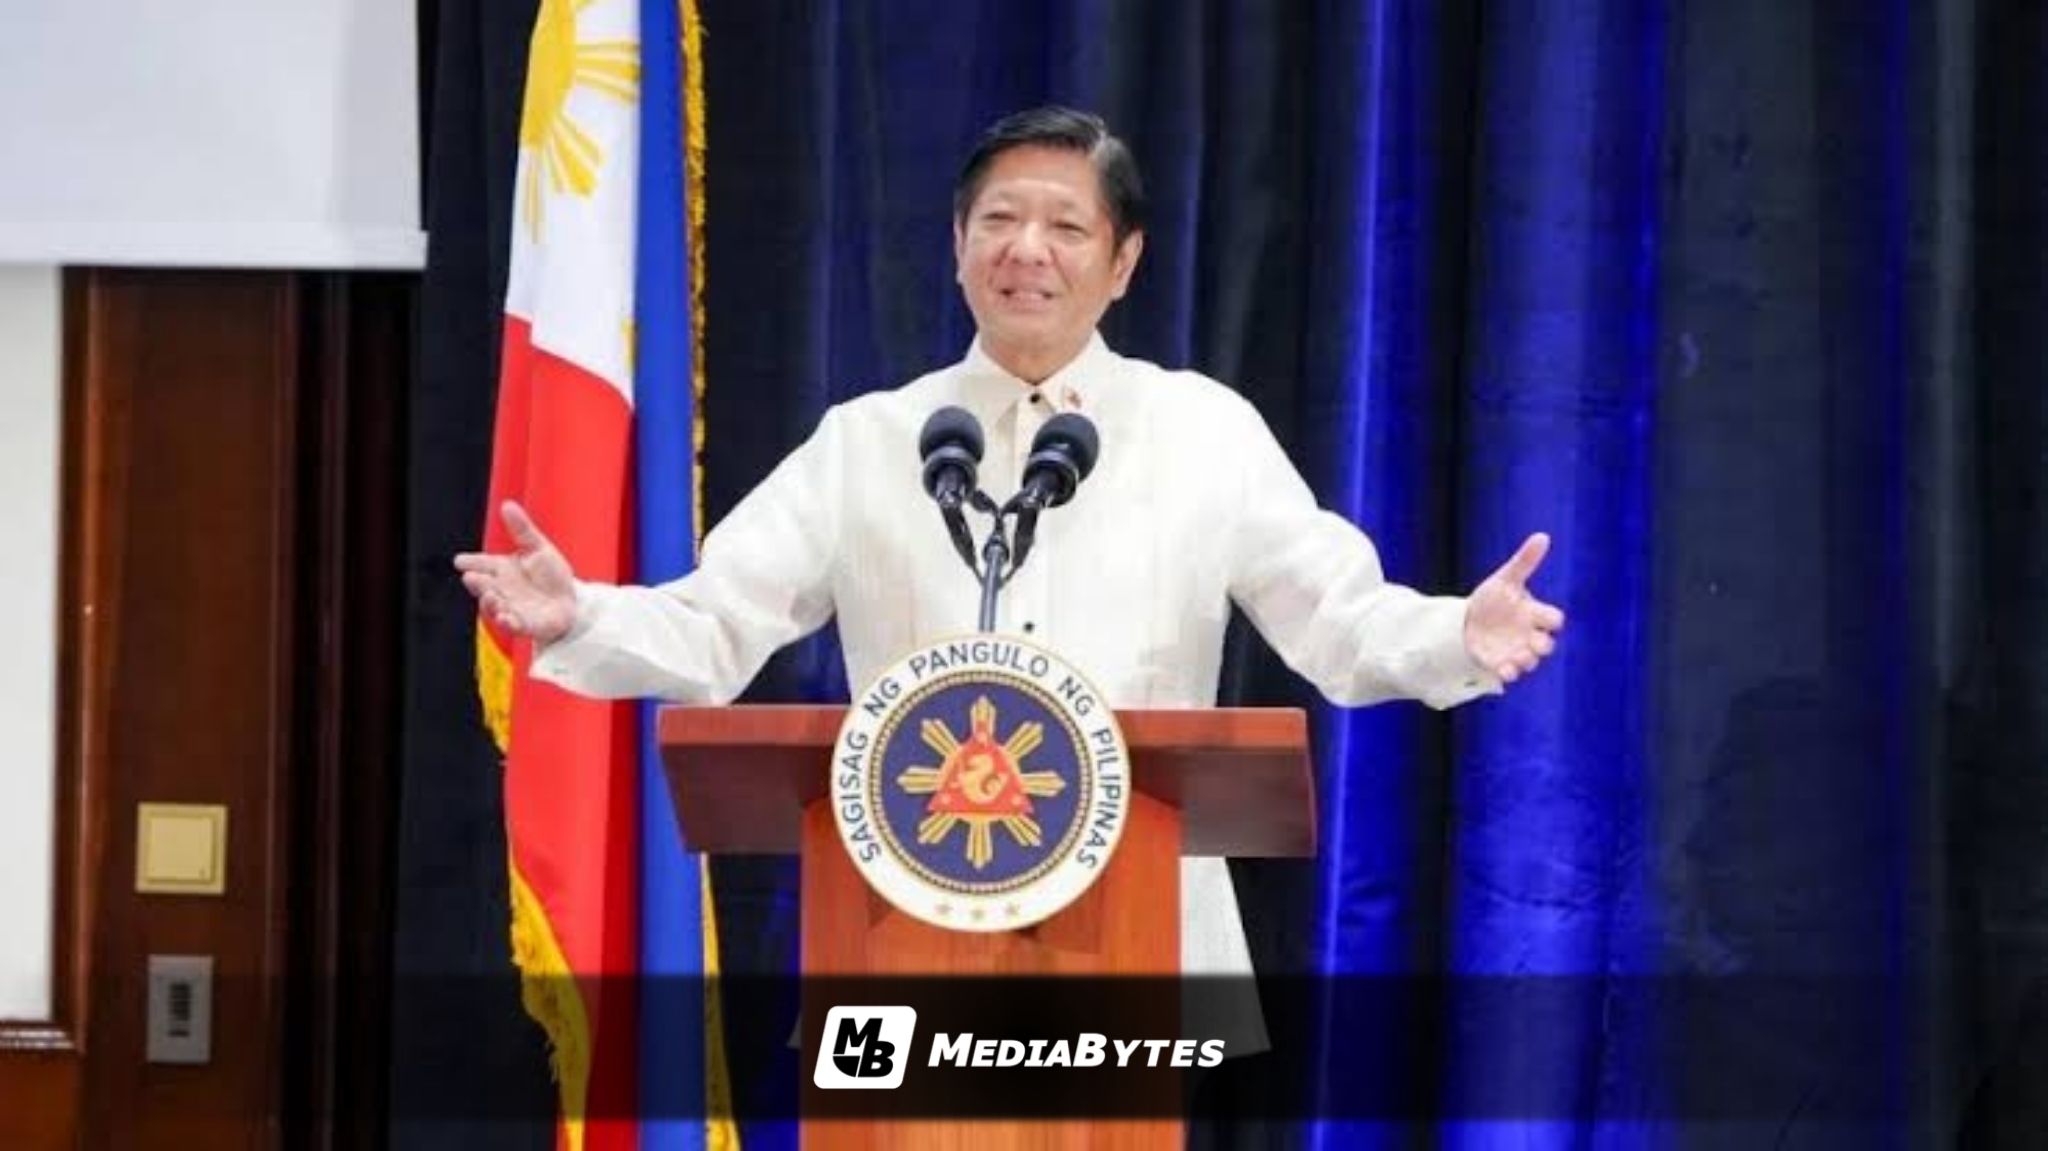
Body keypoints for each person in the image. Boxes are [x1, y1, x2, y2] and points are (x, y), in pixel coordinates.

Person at [456, 106, 1563, 1047]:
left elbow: (1338, 620)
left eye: (1065, 226)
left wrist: (1453, 636)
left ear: (1122, 262)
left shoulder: (1202, 432)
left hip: (1140, 945)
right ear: (957, 244)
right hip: (896, 941)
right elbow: (712, 626)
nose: (1026, 248)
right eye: (998, 219)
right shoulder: (867, 441)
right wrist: (579, 614)